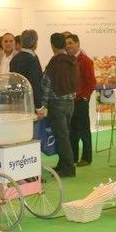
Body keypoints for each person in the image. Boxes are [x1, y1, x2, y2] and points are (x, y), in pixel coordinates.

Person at [42, 33, 79, 178]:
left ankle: (68, 168)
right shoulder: (72, 60)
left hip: (56, 103)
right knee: (65, 136)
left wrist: (43, 104)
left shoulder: (55, 62)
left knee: (61, 137)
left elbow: (46, 84)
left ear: (52, 46)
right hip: (70, 103)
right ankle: (63, 164)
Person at [65, 34, 96, 166]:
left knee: (84, 131)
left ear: (78, 44)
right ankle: (73, 158)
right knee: (72, 131)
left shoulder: (85, 61)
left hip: (80, 101)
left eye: (70, 43)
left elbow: (91, 81)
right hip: (71, 101)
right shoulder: (68, 60)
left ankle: (87, 158)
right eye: (66, 44)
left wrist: (85, 97)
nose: (68, 46)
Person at [9, 30, 45, 123]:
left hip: (17, 102)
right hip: (30, 103)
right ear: (35, 43)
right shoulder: (32, 59)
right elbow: (35, 84)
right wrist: (39, 107)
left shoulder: (15, 59)